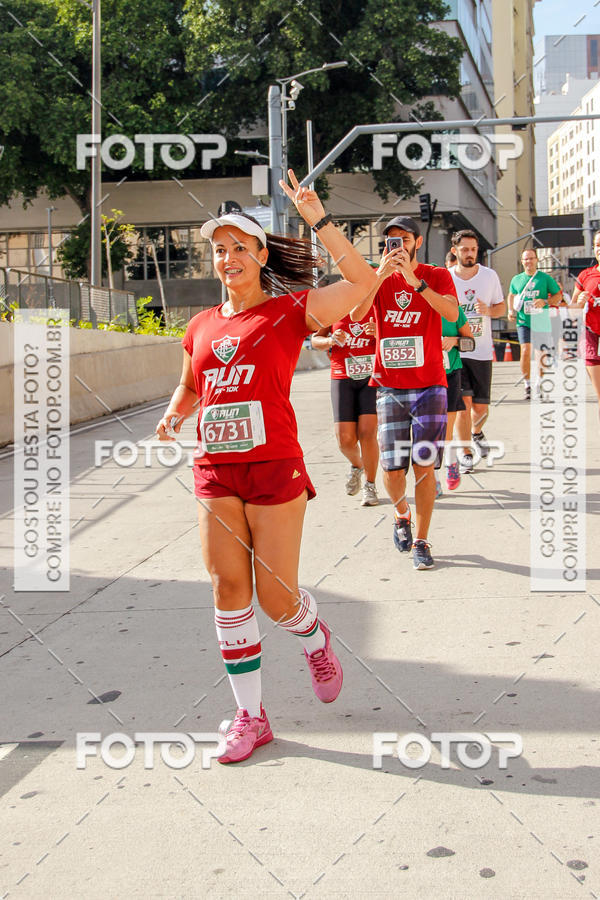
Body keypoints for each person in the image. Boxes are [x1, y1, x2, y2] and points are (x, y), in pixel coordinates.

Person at [155, 171, 376, 764]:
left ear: (260, 255)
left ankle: (315, 636)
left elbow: (363, 282)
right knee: (228, 589)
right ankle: (250, 717)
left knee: (277, 600)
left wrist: (319, 220)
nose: (227, 258)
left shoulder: (290, 311)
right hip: (215, 470)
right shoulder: (200, 325)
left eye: (238, 247)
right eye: (218, 249)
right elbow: (190, 384)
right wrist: (176, 413)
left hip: (275, 466)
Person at [351, 216, 459, 570]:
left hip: (430, 384)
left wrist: (416, 283)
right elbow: (356, 315)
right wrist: (379, 277)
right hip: (389, 386)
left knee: (424, 464)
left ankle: (423, 541)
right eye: (391, 240)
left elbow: (451, 312)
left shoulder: (436, 275)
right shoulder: (377, 275)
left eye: (403, 239)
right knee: (393, 469)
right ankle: (401, 514)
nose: (396, 245)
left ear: (417, 242)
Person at [448, 230, 505, 473]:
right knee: (463, 405)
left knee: (480, 408)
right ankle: (466, 453)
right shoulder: (446, 278)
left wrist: (488, 311)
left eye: (473, 249)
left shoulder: (489, 276)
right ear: (455, 251)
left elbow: (501, 307)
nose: (470, 254)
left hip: (481, 351)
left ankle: (477, 432)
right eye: (465, 250)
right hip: (457, 352)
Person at [311, 311, 379, 505]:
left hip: (371, 376)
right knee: (345, 440)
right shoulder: (337, 308)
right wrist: (331, 340)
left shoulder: (375, 304)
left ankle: (370, 485)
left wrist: (378, 332)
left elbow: (393, 335)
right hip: (342, 376)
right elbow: (315, 340)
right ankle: (358, 465)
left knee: (367, 433)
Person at [507, 249, 562, 400]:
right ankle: (527, 384)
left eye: (531, 258)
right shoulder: (517, 279)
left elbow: (558, 296)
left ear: (537, 260)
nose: (529, 262)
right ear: (522, 261)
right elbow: (511, 295)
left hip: (541, 320)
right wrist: (510, 310)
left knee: (541, 353)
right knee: (525, 350)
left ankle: (540, 382)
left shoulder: (545, 278)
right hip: (523, 321)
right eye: (526, 259)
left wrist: (545, 301)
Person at [440, 307, 474, 492]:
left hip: (450, 372)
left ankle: (450, 462)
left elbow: (470, 343)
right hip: (422, 376)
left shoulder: (453, 310)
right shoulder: (415, 308)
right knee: (426, 428)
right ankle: (431, 478)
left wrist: (454, 341)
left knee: (447, 424)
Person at [571, 230, 600, 418]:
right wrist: (579, 302)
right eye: (597, 245)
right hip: (591, 336)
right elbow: (572, 310)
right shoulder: (585, 275)